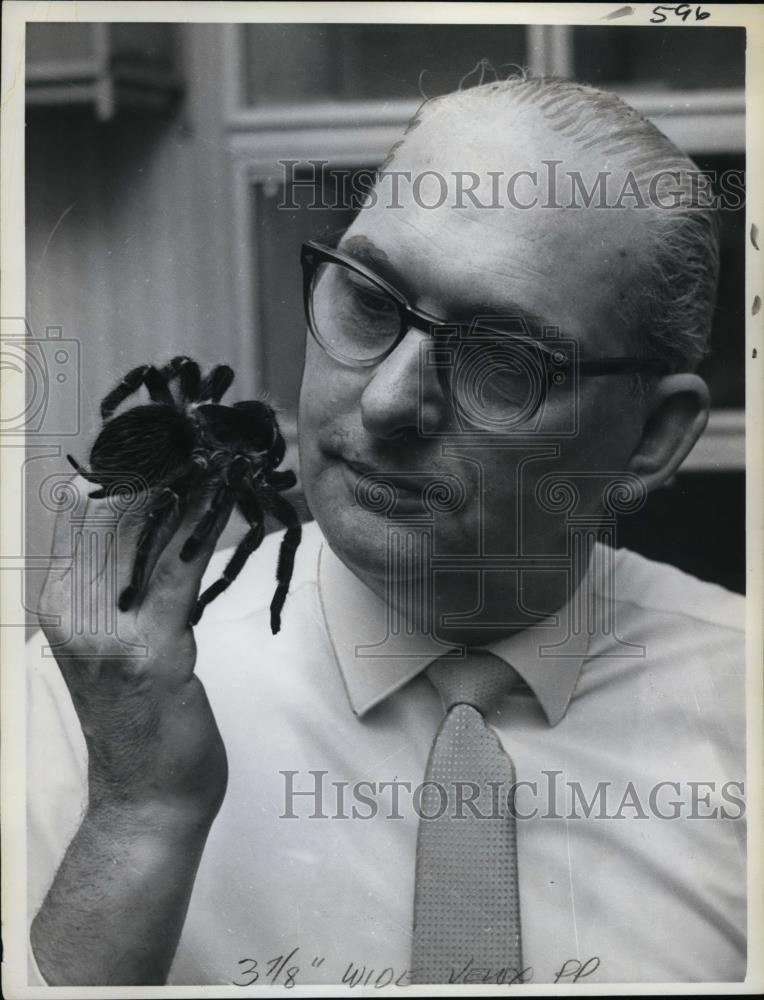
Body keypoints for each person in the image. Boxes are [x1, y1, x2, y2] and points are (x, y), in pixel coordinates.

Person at [26, 75, 745, 986]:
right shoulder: (93, 699)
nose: (388, 398)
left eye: (502, 360)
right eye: (369, 299)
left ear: (648, 437)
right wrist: (138, 812)